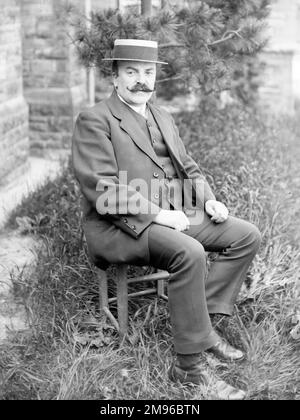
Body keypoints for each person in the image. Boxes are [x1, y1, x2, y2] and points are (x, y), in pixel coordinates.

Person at [72, 39, 261, 400]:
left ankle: (200, 325)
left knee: (245, 235)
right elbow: (103, 189)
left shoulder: (162, 116)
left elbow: (188, 167)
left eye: (148, 72)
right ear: (114, 77)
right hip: (120, 225)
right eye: (131, 73)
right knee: (188, 251)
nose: (141, 81)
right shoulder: (94, 120)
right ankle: (188, 367)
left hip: (173, 214)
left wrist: (209, 202)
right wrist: (159, 215)